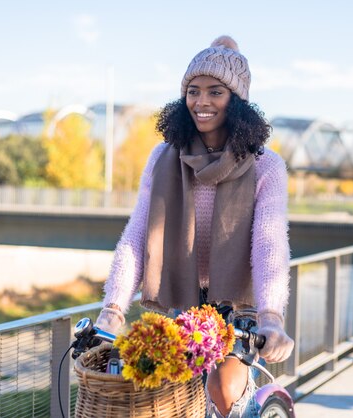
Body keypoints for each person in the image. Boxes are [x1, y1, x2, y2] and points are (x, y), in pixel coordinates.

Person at [93, 35, 294, 418]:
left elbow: (269, 246)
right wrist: (113, 309)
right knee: (155, 396)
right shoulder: (163, 157)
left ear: (237, 100)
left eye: (215, 92)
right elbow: (138, 235)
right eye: (193, 91)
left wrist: (272, 318)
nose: (201, 102)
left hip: (239, 308)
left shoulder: (266, 165)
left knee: (224, 390)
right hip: (180, 301)